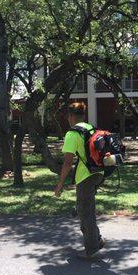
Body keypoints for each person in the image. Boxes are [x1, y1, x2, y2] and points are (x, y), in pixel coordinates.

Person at [54, 102, 105, 260]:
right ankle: (96, 240)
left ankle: (91, 250)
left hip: (85, 176)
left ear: (70, 117)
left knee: (85, 213)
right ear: (83, 115)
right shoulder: (91, 128)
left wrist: (60, 185)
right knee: (86, 207)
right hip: (99, 173)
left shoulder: (73, 133)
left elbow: (67, 163)